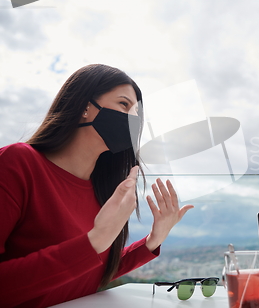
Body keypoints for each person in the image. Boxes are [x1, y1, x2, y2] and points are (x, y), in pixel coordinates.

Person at [0, 64, 194, 308]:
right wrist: (95, 241)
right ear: (84, 107)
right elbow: (82, 255)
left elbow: (86, 269)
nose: (132, 119)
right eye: (124, 105)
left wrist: (152, 242)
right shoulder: (17, 163)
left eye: (137, 114)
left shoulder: (104, 190)